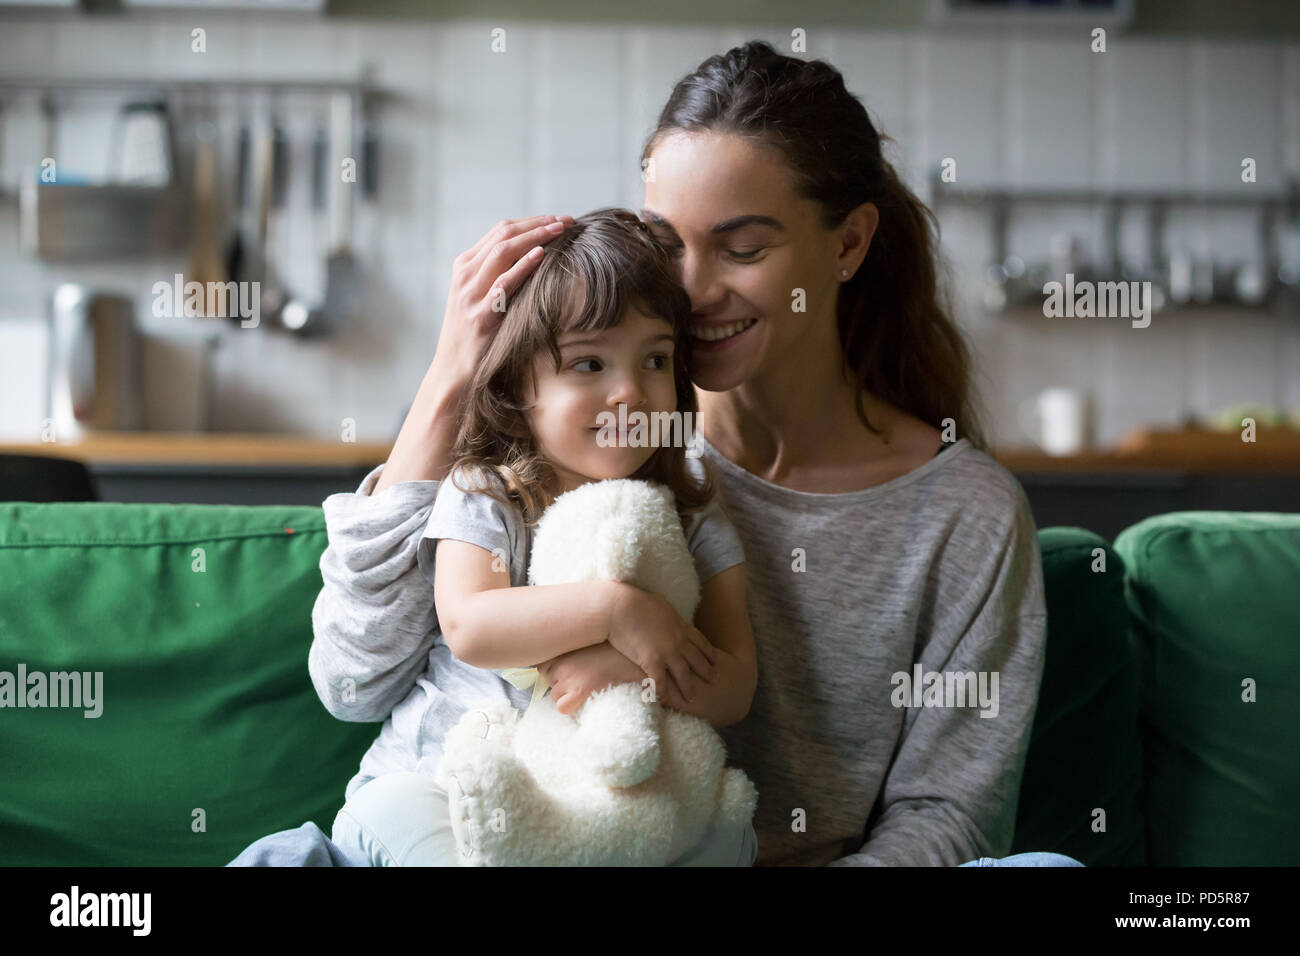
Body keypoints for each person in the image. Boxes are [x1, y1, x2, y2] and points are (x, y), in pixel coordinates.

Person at [314, 209, 759, 866]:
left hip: (587, 809)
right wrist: (617, 610)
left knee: (728, 837)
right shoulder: (487, 493)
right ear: (520, 386)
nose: (630, 393)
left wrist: (636, 672)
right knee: (414, 823)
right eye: (588, 365)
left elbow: (736, 686)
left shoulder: (694, 508)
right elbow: (471, 624)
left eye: (657, 359)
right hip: (438, 784)